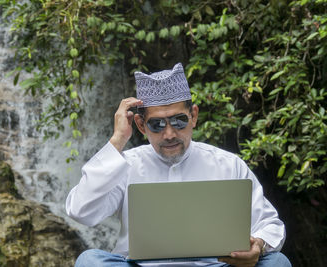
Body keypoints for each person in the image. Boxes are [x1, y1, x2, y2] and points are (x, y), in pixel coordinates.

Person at [65, 63, 291, 267]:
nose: (169, 134)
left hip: (215, 266)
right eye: (157, 125)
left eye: (178, 121)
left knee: (277, 262)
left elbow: (270, 224)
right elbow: (81, 211)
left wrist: (258, 245)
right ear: (141, 125)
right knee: (90, 261)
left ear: (193, 116)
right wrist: (117, 141)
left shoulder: (228, 164)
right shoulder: (124, 165)